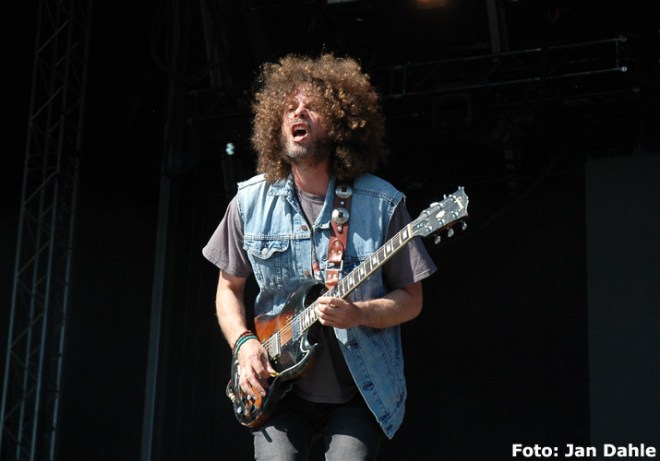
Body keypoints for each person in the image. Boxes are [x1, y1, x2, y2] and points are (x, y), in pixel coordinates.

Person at [202, 53, 437, 461]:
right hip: (278, 389)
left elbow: (411, 300)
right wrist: (244, 345)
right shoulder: (249, 202)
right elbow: (228, 288)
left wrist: (358, 313)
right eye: (289, 107)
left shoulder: (381, 203)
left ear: (340, 123)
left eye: (312, 107)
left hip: (358, 392)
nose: (298, 112)